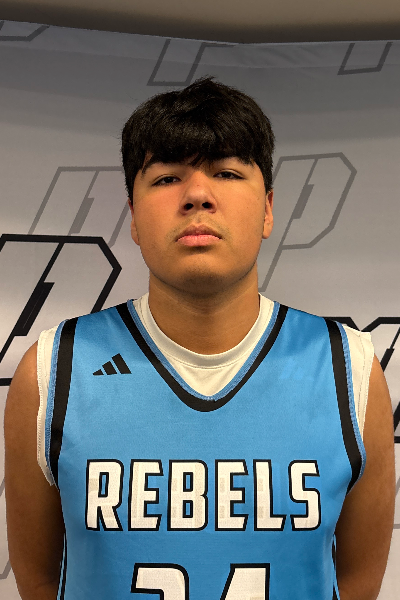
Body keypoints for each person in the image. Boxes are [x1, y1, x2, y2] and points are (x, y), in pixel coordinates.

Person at [4, 76, 395, 600]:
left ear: (268, 209)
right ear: (133, 217)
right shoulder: (53, 371)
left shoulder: (350, 369)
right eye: (167, 177)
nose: (197, 195)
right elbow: (39, 583)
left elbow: (355, 585)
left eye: (227, 172)